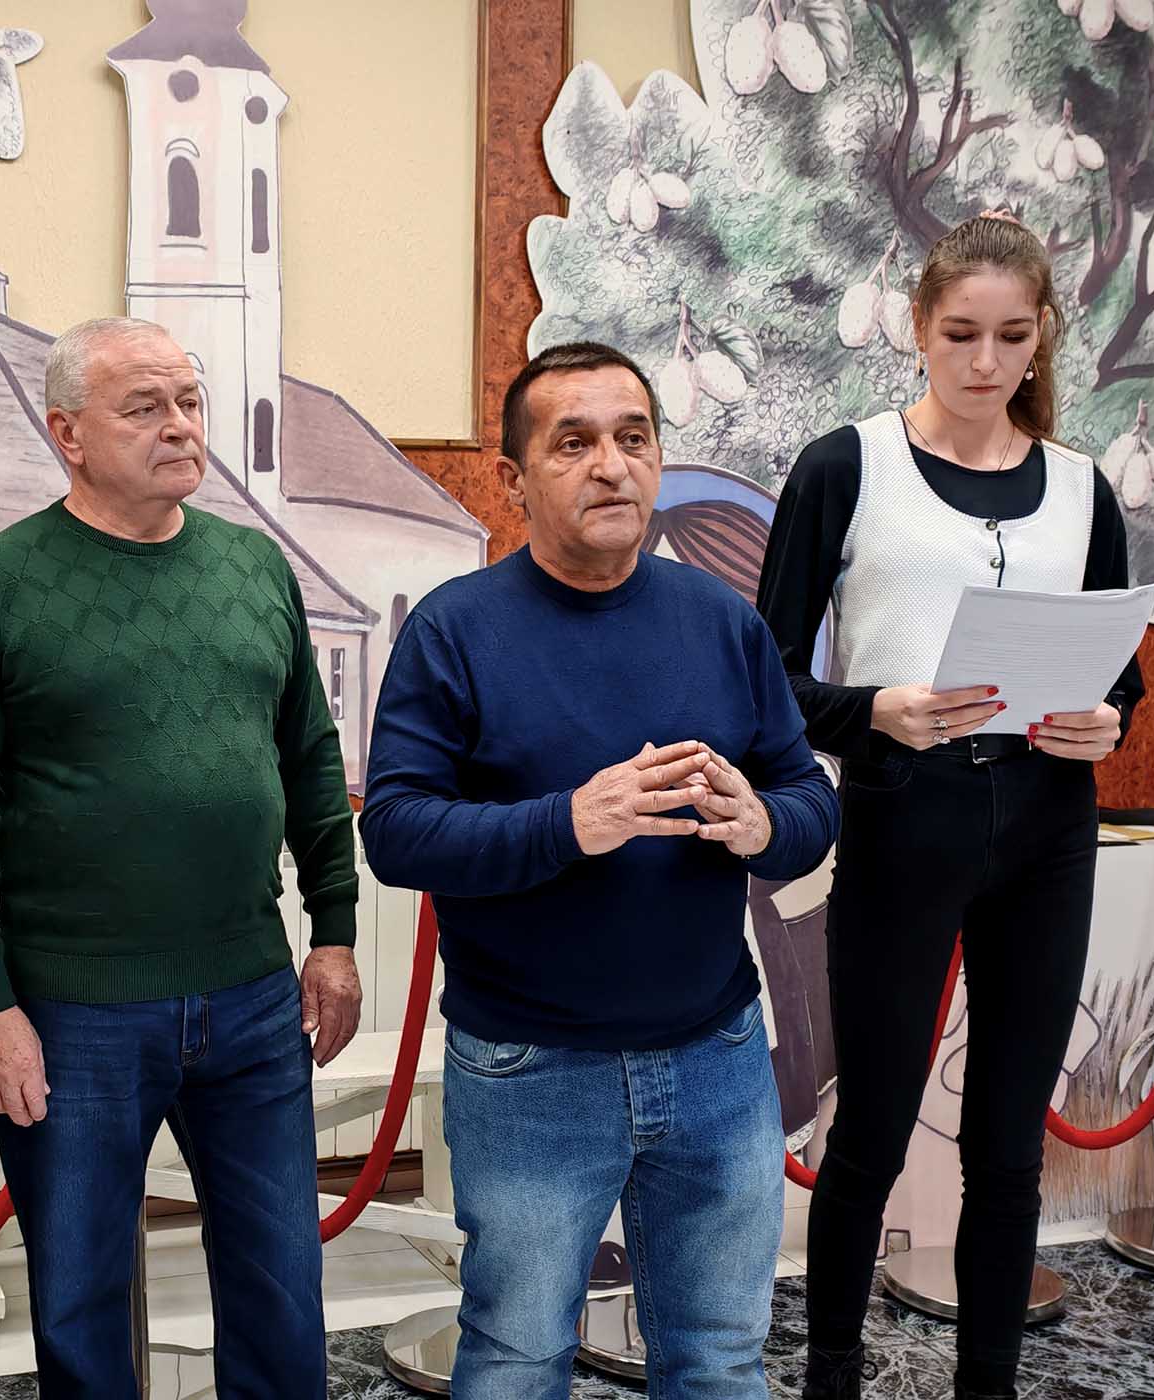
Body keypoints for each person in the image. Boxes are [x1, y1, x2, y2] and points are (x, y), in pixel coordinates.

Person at [361, 341, 840, 1400]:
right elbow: (395, 831)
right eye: (572, 443)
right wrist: (569, 823)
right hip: (531, 1069)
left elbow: (809, 799)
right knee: (517, 1354)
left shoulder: (723, 621)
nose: (611, 465)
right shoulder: (455, 630)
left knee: (720, 1357)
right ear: (515, 476)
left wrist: (763, 822)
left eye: (633, 438)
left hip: (717, 1056)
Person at [0, 317, 363, 1398]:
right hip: (73, 1011)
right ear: (67, 432)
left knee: (283, 1287)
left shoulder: (254, 565)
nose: (180, 426)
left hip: (253, 996)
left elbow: (309, 755)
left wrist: (335, 932)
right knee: (80, 1299)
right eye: (144, 407)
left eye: (188, 402)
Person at [756, 211, 1145, 1400]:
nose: (985, 361)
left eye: (1012, 336)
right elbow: (765, 672)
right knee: (869, 1128)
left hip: (1047, 819)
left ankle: (988, 1384)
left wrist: (1106, 721)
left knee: (1007, 1144)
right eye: (961, 333)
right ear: (918, 328)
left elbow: (1118, 672)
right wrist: (872, 709)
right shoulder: (847, 465)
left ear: (1042, 336)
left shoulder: (1080, 488)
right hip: (904, 808)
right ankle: (832, 1374)